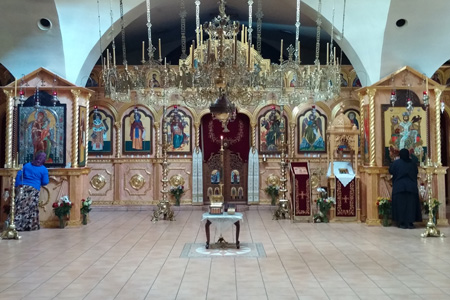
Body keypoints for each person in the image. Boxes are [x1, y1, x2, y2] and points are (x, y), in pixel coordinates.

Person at [12, 152, 49, 231]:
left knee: (19, 206)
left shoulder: (27, 165)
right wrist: (38, 183)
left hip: (22, 187)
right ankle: (30, 226)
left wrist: (16, 185)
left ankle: (14, 225)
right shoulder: (43, 169)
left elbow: (19, 175)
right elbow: (45, 182)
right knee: (31, 208)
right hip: (34, 189)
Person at [389, 148, 422, 229]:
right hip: (411, 188)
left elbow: (390, 171)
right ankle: (410, 223)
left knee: (400, 205)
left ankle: (402, 223)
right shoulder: (413, 164)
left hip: (399, 188)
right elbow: (416, 172)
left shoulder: (397, 163)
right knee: (411, 206)